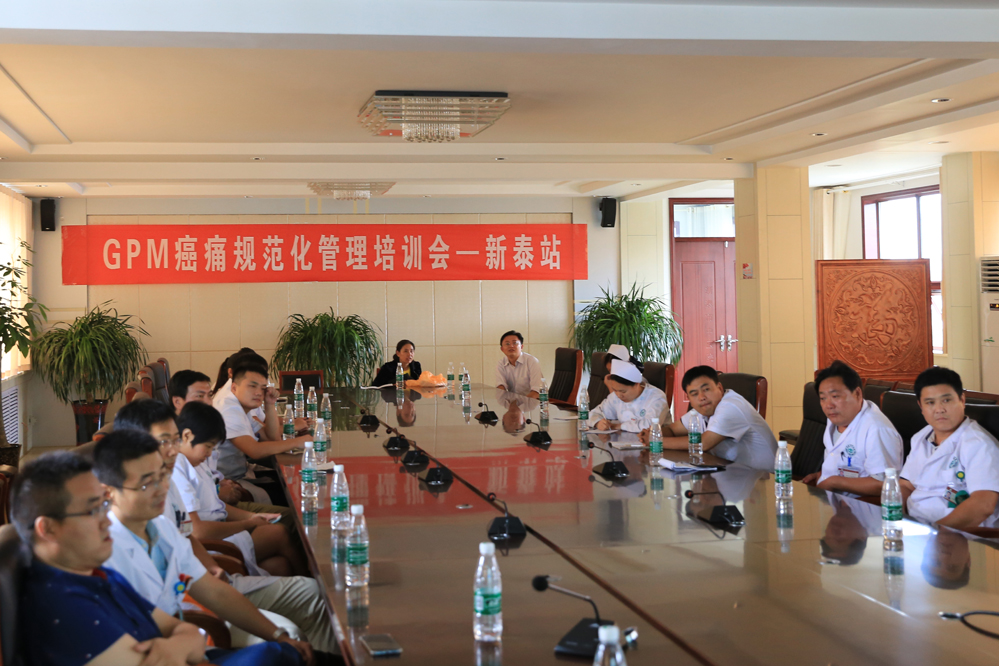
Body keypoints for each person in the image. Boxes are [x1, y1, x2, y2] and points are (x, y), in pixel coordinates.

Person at [12, 451, 301, 666]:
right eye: (92, 511)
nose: (105, 520)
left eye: (103, 506)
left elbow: (184, 630)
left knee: (284, 652)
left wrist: (180, 644)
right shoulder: (64, 607)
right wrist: (184, 645)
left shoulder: (97, 576)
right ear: (48, 528)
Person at [92, 432, 313, 665]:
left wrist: (278, 636)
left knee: (287, 644)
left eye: (163, 476)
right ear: (109, 493)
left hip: (187, 639)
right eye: (147, 483)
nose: (162, 489)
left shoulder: (162, 528)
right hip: (162, 652)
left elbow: (214, 591)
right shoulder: (104, 555)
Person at [115, 399, 305, 577]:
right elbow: (195, 536)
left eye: (174, 440)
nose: (173, 450)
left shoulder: (175, 472)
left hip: (207, 557)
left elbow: (193, 532)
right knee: (280, 534)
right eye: (165, 442)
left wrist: (252, 518)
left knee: (280, 565)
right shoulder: (171, 474)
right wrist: (248, 523)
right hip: (212, 548)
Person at [900, 366, 999, 530]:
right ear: (921, 406)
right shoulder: (921, 437)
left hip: (957, 534)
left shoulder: (979, 444)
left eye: (946, 400)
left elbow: (983, 504)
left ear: (962, 400)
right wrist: (898, 518)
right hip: (915, 528)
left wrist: (936, 534)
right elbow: (905, 486)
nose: (939, 409)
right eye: (930, 403)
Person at [214, 361, 314, 500]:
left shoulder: (243, 406)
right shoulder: (229, 410)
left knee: (296, 480)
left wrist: (269, 404)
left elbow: (271, 438)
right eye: (252, 386)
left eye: (263, 388)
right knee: (295, 493)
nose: (258, 393)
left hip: (242, 473)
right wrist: (299, 442)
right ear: (234, 388)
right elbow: (255, 451)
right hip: (227, 483)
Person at [802, 360, 903, 497]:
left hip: (861, 506)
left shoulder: (877, 429)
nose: (828, 405)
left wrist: (834, 482)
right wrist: (823, 474)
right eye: (823, 398)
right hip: (831, 500)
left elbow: (885, 485)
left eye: (835, 396)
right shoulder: (835, 419)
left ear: (857, 394)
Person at [658, 365, 778, 470]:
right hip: (731, 472)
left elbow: (703, 443)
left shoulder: (731, 406)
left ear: (719, 388)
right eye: (694, 394)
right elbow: (672, 430)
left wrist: (656, 441)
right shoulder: (702, 410)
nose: (701, 397)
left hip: (764, 478)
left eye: (706, 389)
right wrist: (653, 433)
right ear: (689, 399)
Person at [588, 358, 668, 433]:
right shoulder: (615, 397)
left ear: (636, 384)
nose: (618, 395)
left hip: (656, 441)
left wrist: (618, 426)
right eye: (615, 390)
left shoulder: (656, 397)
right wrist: (597, 422)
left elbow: (650, 425)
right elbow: (591, 414)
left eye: (623, 391)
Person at [495, 330, 542, 398]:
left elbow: (536, 391)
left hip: (532, 402)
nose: (511, 346)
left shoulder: (532, 361)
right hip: (513, 402)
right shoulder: (501, 363)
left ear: (521, 347)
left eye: (515, 343)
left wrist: (520, 403)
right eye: (507, 344)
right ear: (502, 349)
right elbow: (501, 386)